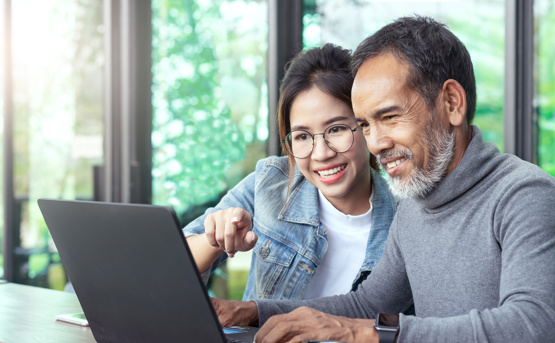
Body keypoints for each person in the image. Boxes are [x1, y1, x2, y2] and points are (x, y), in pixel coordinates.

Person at [211, 16, 555, 342]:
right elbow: (365, 306)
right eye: (365, 125)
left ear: (451, 103)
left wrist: (365, 334)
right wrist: (250, 311)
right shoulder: (415, 209)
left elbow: (533, 325)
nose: (376, 143)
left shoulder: (524, 194)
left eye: (389, 117)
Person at [183, 43, 398, 302]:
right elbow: (171, 266)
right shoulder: (270, 182)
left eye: (337, 129)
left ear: (365, 126)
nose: (321, 153)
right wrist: (214, 239)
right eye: (303, 136)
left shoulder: (404, 221)